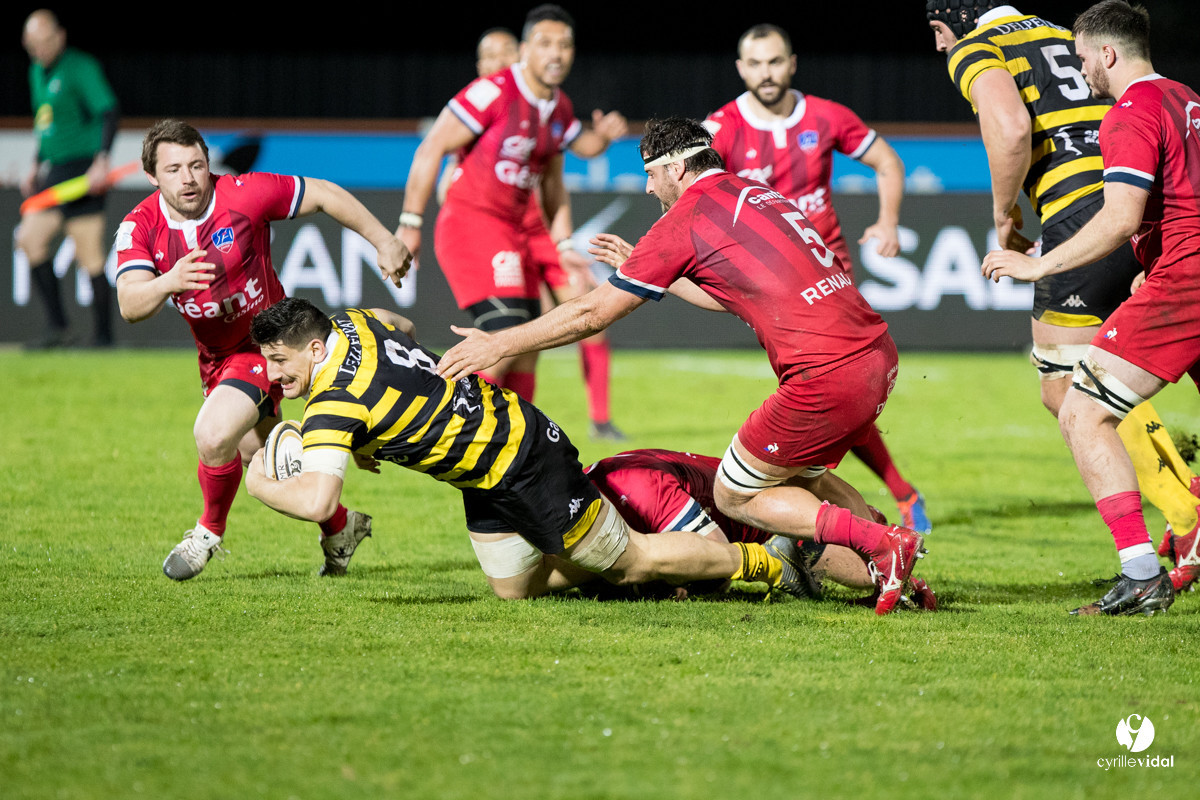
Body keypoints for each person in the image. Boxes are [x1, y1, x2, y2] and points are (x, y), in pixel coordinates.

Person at [437, 117, 927, 615]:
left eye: (652, 175)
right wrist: (653, 271)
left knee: (735, 494)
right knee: (804, 484)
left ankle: (883, 542)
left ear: (675, 167)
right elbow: (736, 296)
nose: (649, 187)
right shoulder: (757, 192)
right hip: (876, 354)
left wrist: (500, 343)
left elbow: (591, 313)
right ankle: (900, 580)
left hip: (824, 373)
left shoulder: (685, 217)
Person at [244, 298, 804, 602]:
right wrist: (378, 432)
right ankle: (610, 559)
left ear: (315, 348)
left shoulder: (331, 405)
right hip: (482, 470)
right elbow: (401, 322)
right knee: (515, 590)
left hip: (523, 461)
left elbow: (320, 503)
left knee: (633, 562)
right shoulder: (355, 323)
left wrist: (259, 482)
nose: (273, 375)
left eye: (280, 362)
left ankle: (760, 561)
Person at [928, 1, 1200, 553]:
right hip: (1147, 206)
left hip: (1087, 210)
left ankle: (1182, 518)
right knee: (1069, 386)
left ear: (947, 24)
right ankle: (1184, 505)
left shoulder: (976, 47)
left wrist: (1005, 218)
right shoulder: (1072, 40)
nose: (939, 46)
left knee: (1076, 396)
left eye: (936, 33)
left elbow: (1008, 128)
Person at [113, 119, 412, 581]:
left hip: (267, 347)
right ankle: (340, 525)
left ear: (209, 163)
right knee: (265, 454)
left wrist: (385, 240)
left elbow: (324, 193)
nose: (188, 178)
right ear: (152, 176)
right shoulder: (139, 226)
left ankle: (207, 534)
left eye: (196, 165)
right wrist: (170, 280)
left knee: (213, 435)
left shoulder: (243, 194)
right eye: (173, 169)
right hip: (215, 360)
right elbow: (130, 304)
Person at [704, 24, 929, 534]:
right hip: (770, 288)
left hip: (830, 276)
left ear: (793, 63)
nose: (767, 72)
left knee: (825, 391)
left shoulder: (826, 116)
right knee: (826, 396)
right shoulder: (721, 128)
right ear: (741, 69)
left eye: (776, 61)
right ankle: (879, 507)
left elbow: (887, 162)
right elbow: (695, 190)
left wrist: (888, 221)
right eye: (756, 63)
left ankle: (848, 517)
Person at [396, 6, 627, 412]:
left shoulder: (559, 107)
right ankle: (438, 423)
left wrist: (562, 243)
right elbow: (432, 146)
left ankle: (519, 445)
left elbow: (554, 182)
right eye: (545, 44)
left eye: (564, 45)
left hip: (513, 232)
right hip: (471, 224)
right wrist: (410, 223)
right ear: (525, 50)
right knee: (501, 339)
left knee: (525, 346)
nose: (555, 54)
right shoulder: (493, 91)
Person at [576, 448, 937, 608]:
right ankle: (879, 538)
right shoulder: (603, 479)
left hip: (773, 517)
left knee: (863, 571)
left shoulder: (636, 491)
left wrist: (655, 581)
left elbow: (715, 566)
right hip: (765, 480)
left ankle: (879, 543)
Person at [18, 9, 119, 349]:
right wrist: (36, 162)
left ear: (60, 37)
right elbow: (45, 122)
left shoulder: (80, 67)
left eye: (46, 42)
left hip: (82, 171)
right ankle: (59, 327)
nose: (41, 50)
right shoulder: (36, 71)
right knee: (30, 239)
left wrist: (101, 161)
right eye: (34, 44)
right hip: (55, 173)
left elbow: (108, 111)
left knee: (90, 255)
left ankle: (104, 338)